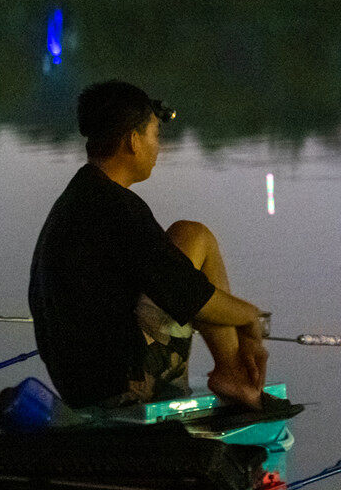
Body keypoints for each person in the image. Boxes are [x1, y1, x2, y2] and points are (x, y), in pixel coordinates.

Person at [29, 80, 272, 412]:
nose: (159, 148)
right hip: (120, 390)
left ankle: (231, 373)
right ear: (133, 141)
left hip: (79, 386)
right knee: (195, 254)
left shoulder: (78, 197)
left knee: (192, 235)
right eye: (155, 136)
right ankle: (233, 376)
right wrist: (250, 319)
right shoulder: (117, 208)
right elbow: (189, 296)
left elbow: (170, 279)